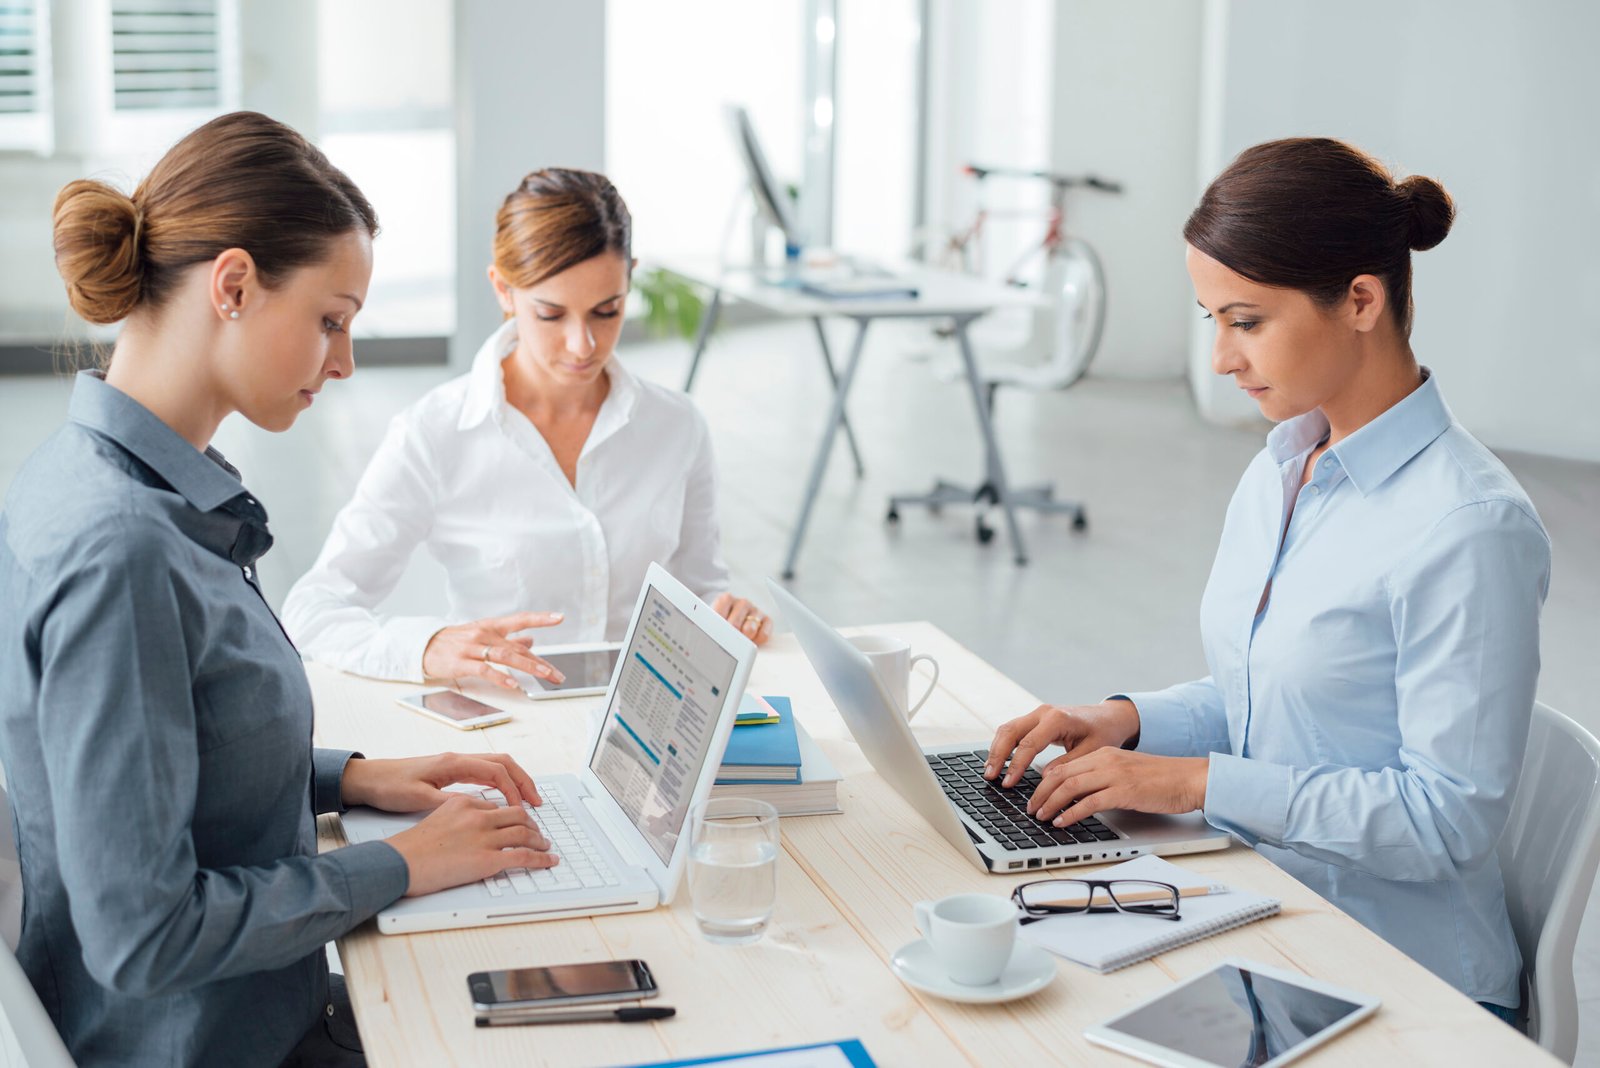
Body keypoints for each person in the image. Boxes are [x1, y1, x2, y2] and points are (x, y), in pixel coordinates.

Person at [0, 111, 558, 1066]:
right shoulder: (124, 550)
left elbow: (159, 770)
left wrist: (350, 778)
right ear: (232, 286)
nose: (344, 361)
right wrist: (395, 865)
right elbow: (143, 935)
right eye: (331, 320)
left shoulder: (91, 475)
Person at [984, 137, 1548, 1021]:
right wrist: (1128, 721)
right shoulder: (1285, 465)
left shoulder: (1469, 525)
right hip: (1270, 914)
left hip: (1408, 986)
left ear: (1361, 300)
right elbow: (1286, 700)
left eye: (1245, 322)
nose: (1221, 358)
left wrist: (1195, 783)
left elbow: (1446, 823)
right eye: (1211, 320)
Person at [281, 169, 771, 691]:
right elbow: (314, 610)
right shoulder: (436, 433)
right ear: (504, 290)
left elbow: (700, 594)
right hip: (508, 721)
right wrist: (427, 646)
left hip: (643, 720)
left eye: (607, 311)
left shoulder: (676, 427)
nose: (583, 344)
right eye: (551, 314)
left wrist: (728, 618)